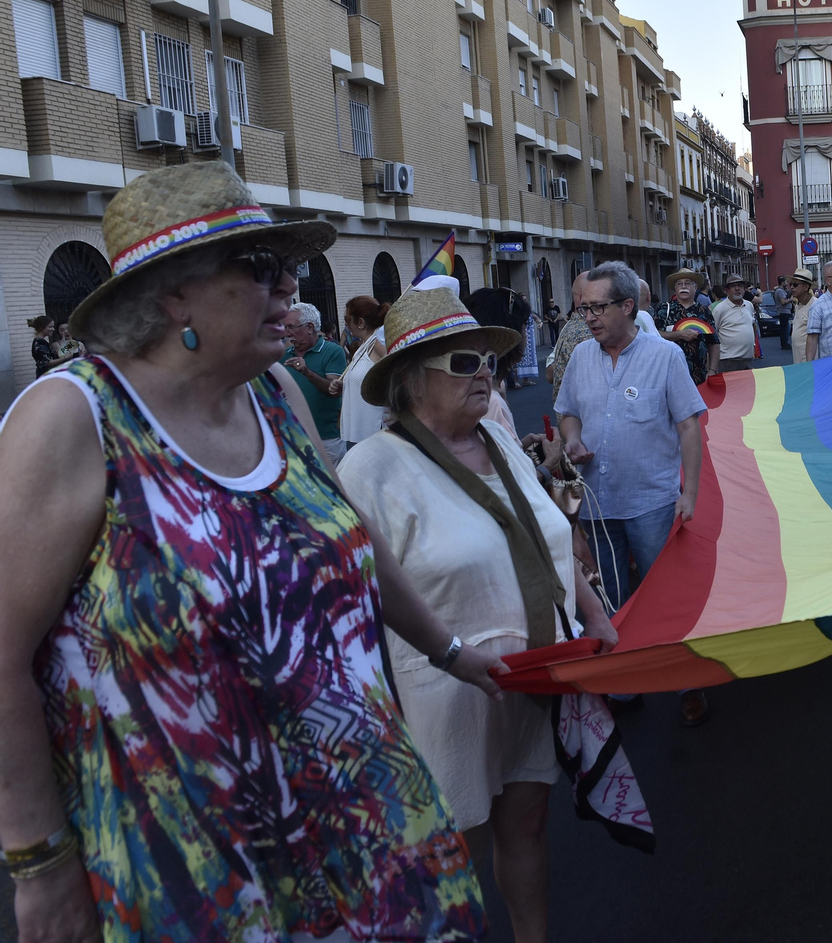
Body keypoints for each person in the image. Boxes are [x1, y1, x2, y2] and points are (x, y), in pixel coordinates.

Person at [0, 162, 500, 942]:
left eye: (289, 266)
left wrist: (451, 650)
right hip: (199, 858)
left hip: (362, 816)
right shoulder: (73, 418)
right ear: (176, 294)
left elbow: (350, 538)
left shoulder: (275, 395)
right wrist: (40, 865)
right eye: (263, 266)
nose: (291, 287)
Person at [340, 276, 618, 943]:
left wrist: (595, 614)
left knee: (528, 827)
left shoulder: (499, 442)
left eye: (488, 360)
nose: (486, 374)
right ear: (412, 379)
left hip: (535, 678)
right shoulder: (370, 470)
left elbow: (548, 533)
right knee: (448, 851)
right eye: (464, 362)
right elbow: (354, 600)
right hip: (446, 696)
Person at [556, 262, 711, 726]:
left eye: (598, 308)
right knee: (613, 600)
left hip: (652, 503)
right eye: (584, 309)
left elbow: (689, 426)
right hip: (598, 504)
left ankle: (688, 683)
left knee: (666, 596)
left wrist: (690, 493)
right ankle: (625, 684)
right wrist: (572, 440)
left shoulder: (665, 356)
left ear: (628, 306)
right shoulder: (581, 357)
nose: (589, 317)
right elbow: (567, 411)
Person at [280, 300, 349, 460]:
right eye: (285, 328)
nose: (287, 333)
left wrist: (307, 373)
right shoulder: (284, 355)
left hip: (327, 437)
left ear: (310, 327)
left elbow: (334, 391)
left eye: (290, 327)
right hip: (293, 436)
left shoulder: (333, 351)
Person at [464, 287, 530, 434]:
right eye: (524, 327)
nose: (526, 335)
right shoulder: (491, 402)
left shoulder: (492, 387)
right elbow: (497, 449)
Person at [328, 294, 389, 449]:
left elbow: (399, 374)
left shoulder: (377, 344)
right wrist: (344, 385)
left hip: (372, 434)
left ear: (360, 322)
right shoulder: (364, 346)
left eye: (347, 320)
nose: (345, 325)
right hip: (358, 433)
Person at [655, 267, 721, 385]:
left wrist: (712, 370)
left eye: (687, 283)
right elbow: (654, 335)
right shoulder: (664, 309)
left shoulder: (704, 311)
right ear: (675, 288)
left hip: (699, 376)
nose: (683, 286)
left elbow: (714, 342)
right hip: (669, 375)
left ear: (695, 287)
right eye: (679, 284)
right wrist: (679, 334)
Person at [711, 275, 759, 372]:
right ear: (726, 290)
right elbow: (712, 335)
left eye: (740, 285)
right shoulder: (719, 309)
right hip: (728, 361)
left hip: (748, 359)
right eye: (733, 286)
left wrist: (753, 345)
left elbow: (752, 325)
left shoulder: (749, 305)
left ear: (744, 288)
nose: (737, 289)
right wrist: (712, 368)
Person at [788, 268, 817, 363]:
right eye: (791, 284)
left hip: (809, 362)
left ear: (806, 287)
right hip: (798, 359)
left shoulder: (815, 306)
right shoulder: (798, 304)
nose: (792, 287)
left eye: (795, 284)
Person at [771, 278, 793, 350]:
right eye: (786, 281)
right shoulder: (780, 291)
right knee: (784, 328)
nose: (787, 283)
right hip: (783, 311)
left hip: (785, 311)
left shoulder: (782, 290)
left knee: (786, 327)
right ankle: (784, 344)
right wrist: (790, 300)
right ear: (782, 282)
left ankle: (785, 343)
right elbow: (783, 302)